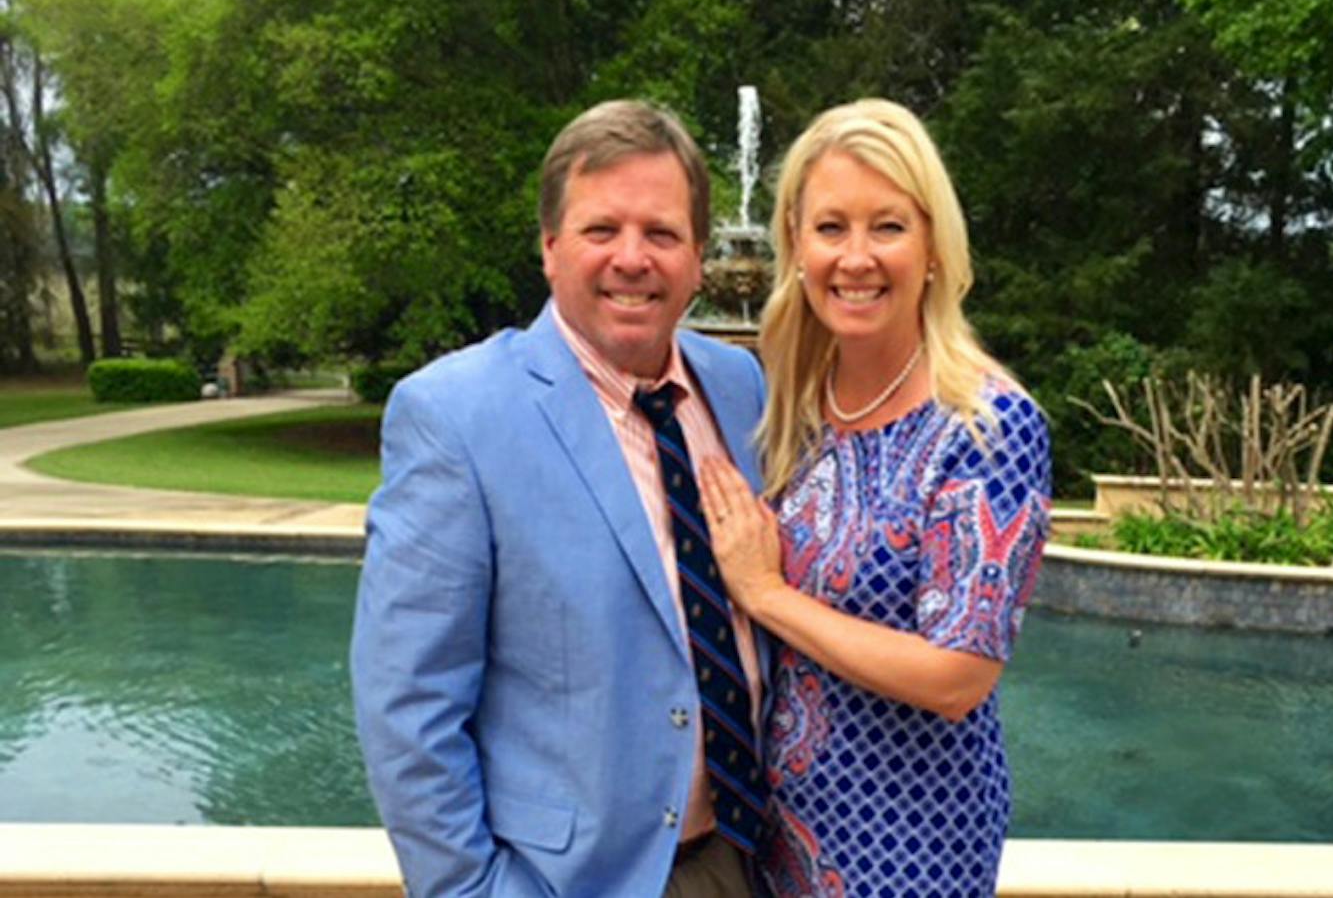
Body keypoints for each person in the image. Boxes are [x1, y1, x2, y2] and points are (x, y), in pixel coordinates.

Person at [350, 100, 770, 898]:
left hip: (744, 862)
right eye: (601, 230)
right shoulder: (455, 415)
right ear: (549, 248)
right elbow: (409, 707)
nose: (632, 258)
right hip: (564, 881)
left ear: (698, 257)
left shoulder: (740, 388)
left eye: (661, 233)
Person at [699, 98, 1051, 898]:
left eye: (887, 226)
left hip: (911, 848)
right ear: (794, 244)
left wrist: (765, 593)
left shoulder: (987, 425)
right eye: (830, 228)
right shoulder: (794, 403)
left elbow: (958, 675)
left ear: (932, 245)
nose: (855, 257)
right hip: (780, 839)